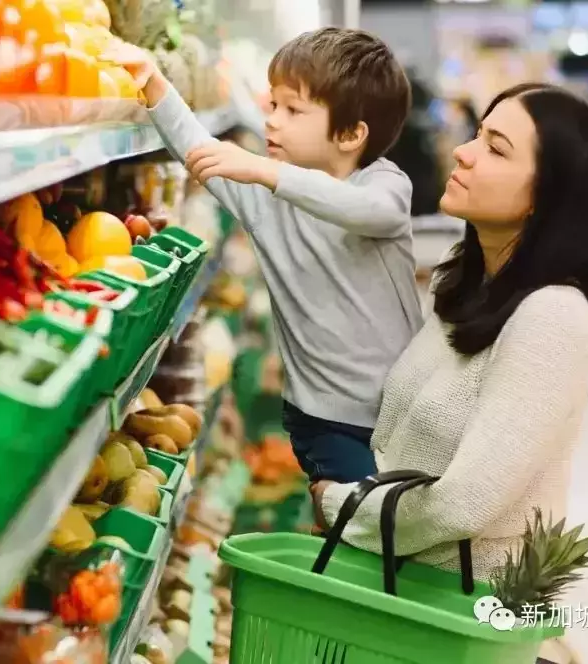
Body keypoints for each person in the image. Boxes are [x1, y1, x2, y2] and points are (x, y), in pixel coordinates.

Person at [309, 83, 588, 663]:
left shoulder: (553, 315)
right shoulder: (462, 280)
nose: (463, 151)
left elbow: (467, 501)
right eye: (477, 133)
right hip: (405, 609)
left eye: (497, 147)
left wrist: (343, 509)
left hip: (469, 624)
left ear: (547, 196)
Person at [108, 28, 423, 483]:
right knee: (361, 526)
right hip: (323, 420)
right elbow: (200, 150)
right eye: (272, 104)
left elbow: (365, 211)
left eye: (293, 110)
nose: (272, 119)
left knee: (393, 530)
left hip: (402, 411)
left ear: (352, 134)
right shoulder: (263, 198)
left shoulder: (383, 185)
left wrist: (269, 170)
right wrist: (155, 83)